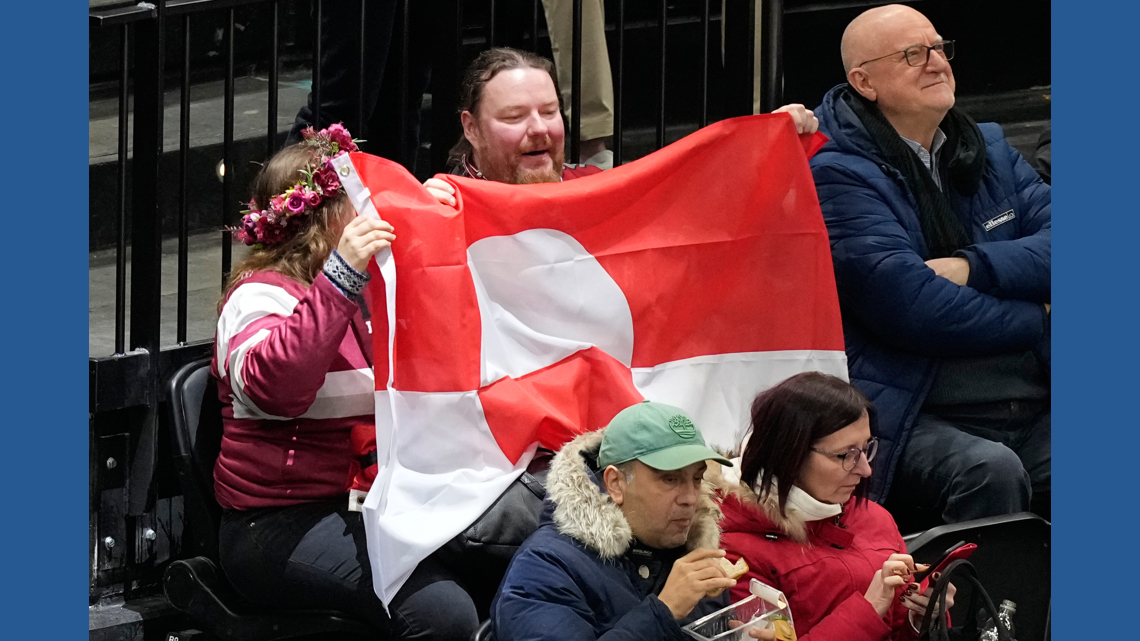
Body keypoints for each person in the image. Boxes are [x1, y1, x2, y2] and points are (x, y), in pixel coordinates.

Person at [212, 125, 484, 640]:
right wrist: (340, 277)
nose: (372, 207)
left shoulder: (371, 285)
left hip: (386, 499)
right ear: (322, 220)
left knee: (512, 555)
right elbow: (277, 387)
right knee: (442, 614)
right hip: (279, 522)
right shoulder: (258, 295)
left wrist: (436, 221)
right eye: (359, 197)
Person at [810, 4, 1051, 528]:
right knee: (992, 471)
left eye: (940, 48)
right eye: (913, 54)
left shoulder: (986, 147)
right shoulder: (836, 174)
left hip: (1029, 392)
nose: (937, 62)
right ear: (864, 81)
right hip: (919, 408)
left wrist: (973, 266)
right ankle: (979, 613)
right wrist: (1042, 313)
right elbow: (912, 306)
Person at [492, 401, 769, 641]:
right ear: (615, 483)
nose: (690, 498)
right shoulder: (545, 566)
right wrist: (664, 611)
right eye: (670, 479)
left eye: (696, 479)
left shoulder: (692, 554)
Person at [711, 372, 955, 641]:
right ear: (790, 453)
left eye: (866, 448)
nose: (865, 470)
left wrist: (920, 618)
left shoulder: (874, 517)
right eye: (847, 455)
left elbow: (897, 630)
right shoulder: (731, 550)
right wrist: (869, 609)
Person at [423, 47, 819, 203]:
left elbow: (698, 199)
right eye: (514, 116)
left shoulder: (599, 187)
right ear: (470, 128)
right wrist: (417, 225)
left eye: (549, 112)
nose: (539, 128)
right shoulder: (440, 205)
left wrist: (768, 144)